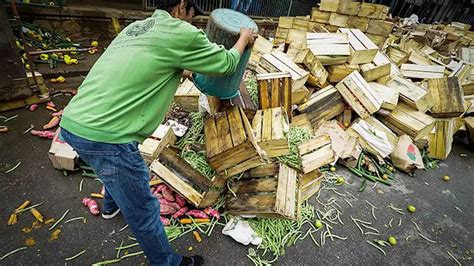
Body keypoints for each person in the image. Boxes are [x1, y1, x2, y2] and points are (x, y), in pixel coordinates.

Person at [59, 0, 257, 265]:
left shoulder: (136, 28)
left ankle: (109, 206)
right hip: (107, 136)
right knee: (143, 208)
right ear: (182, 6)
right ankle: (167, 262)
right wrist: (243, 39)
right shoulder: (180, 31)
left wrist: (181, 70)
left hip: (75, 123)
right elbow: (225, 64)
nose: (190, 22)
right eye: (190, 16)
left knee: (110, 165)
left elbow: (146, 63)